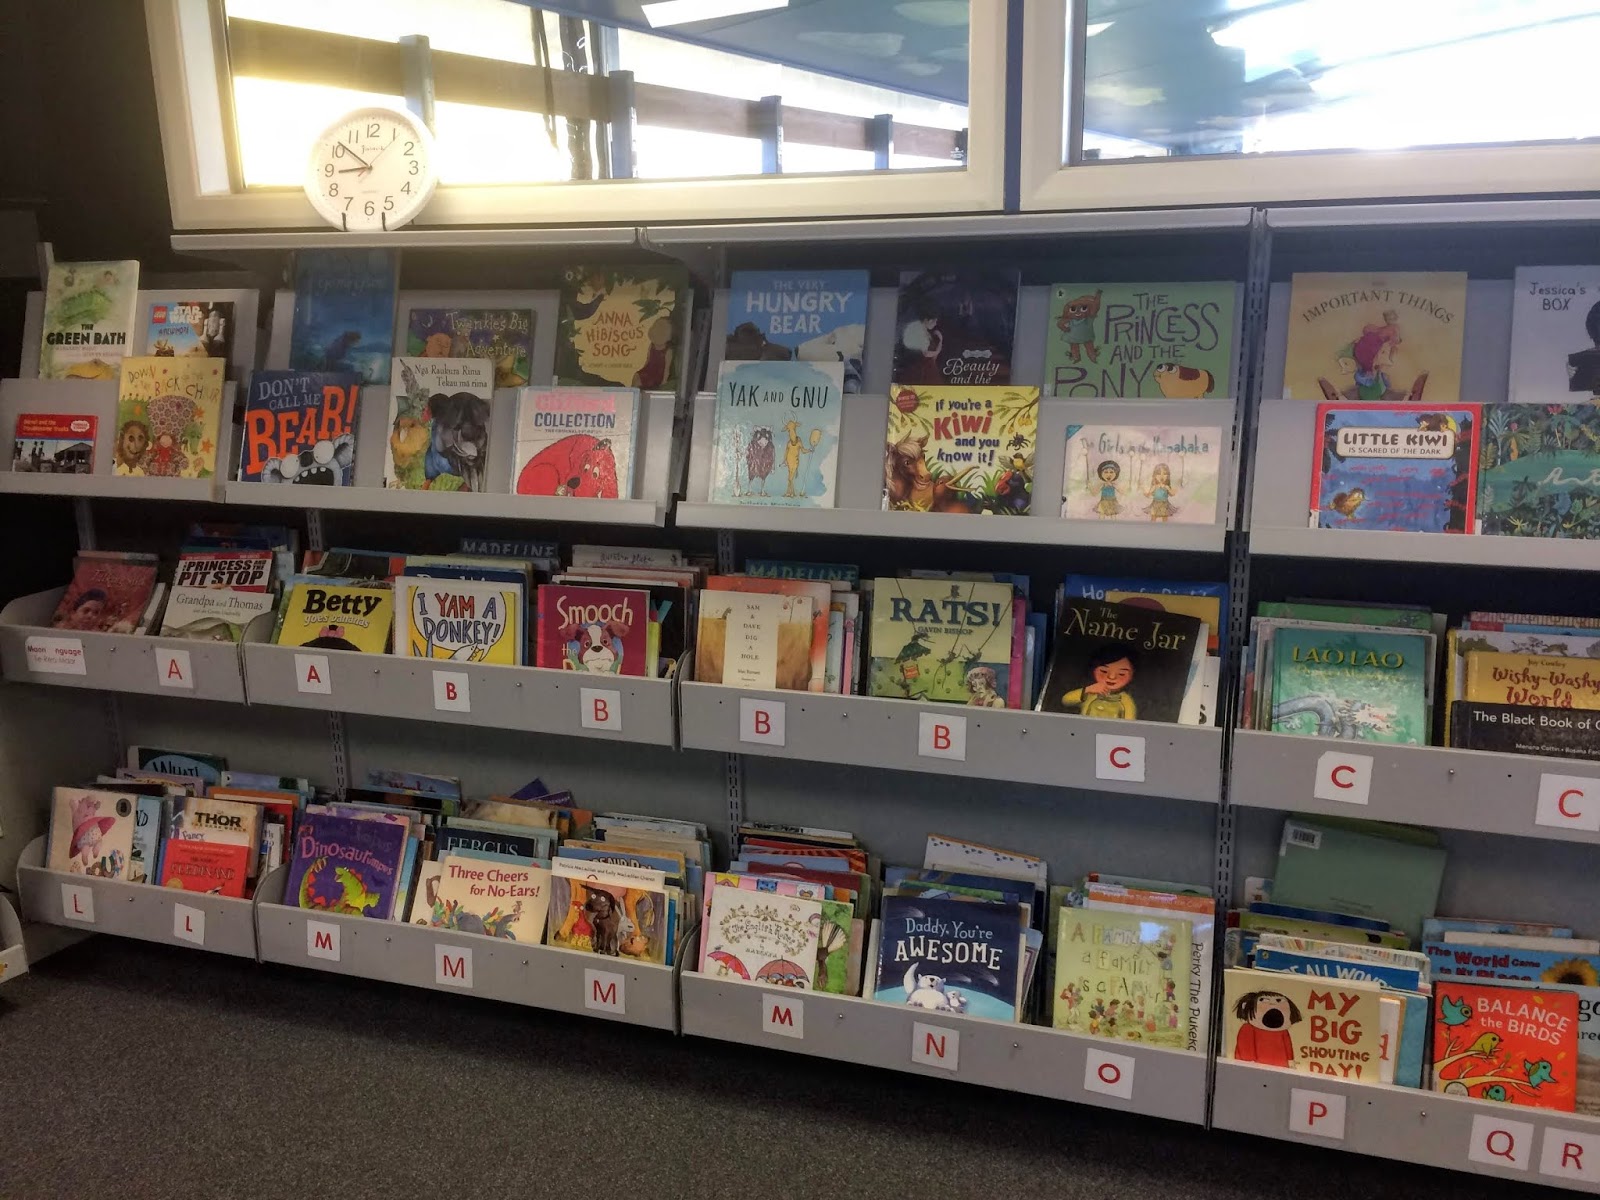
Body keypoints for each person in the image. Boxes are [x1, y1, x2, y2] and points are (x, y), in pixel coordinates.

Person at [1058, 644, 1138, 719]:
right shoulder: (1091, 694)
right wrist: (1088, 689)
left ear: (1132, 675)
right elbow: (1066, 700)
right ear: (1093, 670)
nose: (1111, 677)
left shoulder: (1125, 700)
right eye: (1104, 671)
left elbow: (1129, 722)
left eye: (1121, 674)